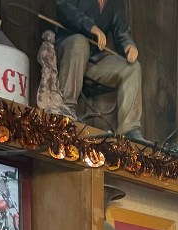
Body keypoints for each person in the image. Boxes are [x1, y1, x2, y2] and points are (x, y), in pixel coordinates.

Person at [55, 0, 146, 142]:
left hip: (93, 59)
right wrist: (91, 27)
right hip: (69, 50)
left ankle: (129, 128)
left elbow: (121, 31)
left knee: (132, 68)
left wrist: (129, 44)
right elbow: (64, 8)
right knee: (80, 42)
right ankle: (66, 108)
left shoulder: (116, 3)